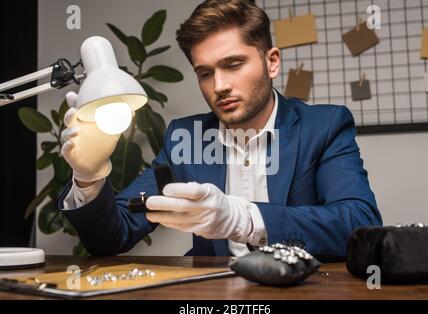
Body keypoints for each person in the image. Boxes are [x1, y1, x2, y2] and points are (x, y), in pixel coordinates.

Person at [58, 0, 382, 260]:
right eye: (205, 73)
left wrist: (242, 218)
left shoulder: (323, 127)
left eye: (233, 65)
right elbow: (113, 237)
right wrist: (89, 177)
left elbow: (360, 226)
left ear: (272, 62)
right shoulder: (186, 138)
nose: (220, 86)